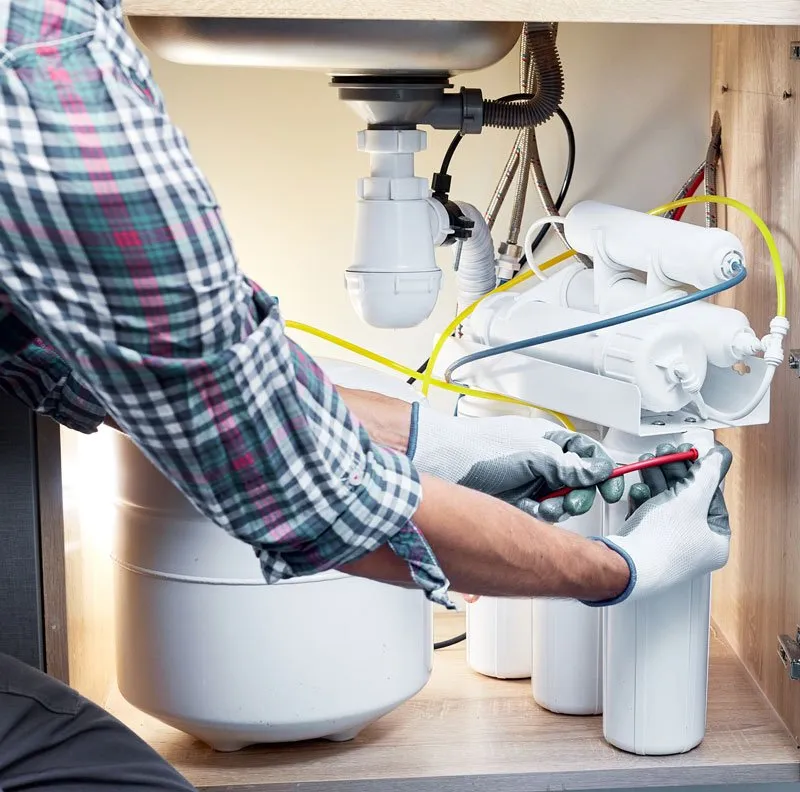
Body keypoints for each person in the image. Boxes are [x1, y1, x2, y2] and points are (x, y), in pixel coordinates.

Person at [0, 1, 733, 789]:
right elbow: (281, 470)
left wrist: (445, 444)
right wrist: (620, 568)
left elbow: (130, 365)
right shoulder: (50, 72)